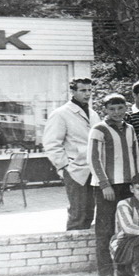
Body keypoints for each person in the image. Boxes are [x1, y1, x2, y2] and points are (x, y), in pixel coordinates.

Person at [88, 93, 139, 276]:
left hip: (127, 186)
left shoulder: (130, 129)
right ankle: (105, 274)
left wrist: (137, 183)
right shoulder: (99, 129)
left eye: (120, 108)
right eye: (112, 109)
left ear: (126, 108)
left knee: (126, 229)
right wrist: (105, 185)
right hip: (108, 187)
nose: (117, 112)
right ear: (105, 110)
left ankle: (124, 270)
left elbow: (136, 156)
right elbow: (94, 159)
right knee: (105, 231)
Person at [43, 77, 101, 231]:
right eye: (83, 90)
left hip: (93, 170)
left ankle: (82, 249)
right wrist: (64, 166)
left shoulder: (93, 114)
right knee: (78, 213)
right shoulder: (61, 114)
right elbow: (51, 143)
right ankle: (71, 249)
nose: (87, 94)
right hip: (75, 170)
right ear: (73, 91)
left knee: (90, 212)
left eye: (89, 90)